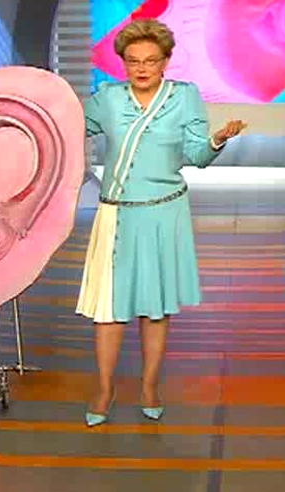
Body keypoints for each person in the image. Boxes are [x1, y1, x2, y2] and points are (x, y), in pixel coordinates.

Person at [76, 18, 247, 427]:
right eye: (133, 60)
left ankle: (150, 386)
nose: (141, 68)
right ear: (122, 62)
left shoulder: (184, 97)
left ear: (166, 61)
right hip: (116, 213)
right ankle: (104, 388)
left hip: (163, 212)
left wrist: (216, 140)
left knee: (154, 309)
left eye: (151, 60)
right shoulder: (106, 98)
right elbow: (68, 128)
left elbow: (197, 155)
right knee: (108, 308)